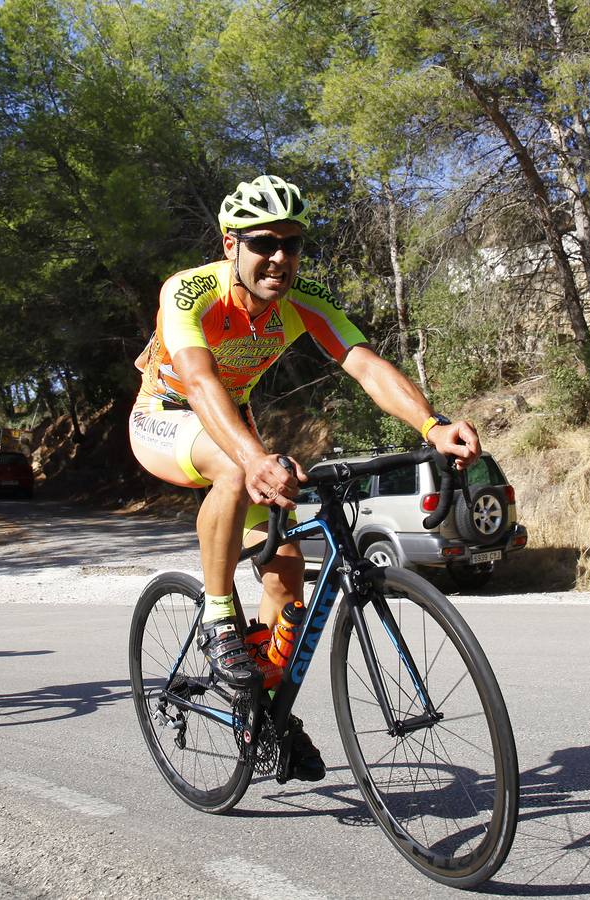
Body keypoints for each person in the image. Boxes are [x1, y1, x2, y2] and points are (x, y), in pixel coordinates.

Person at [129, 174, 481, 781]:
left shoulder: (304, 299)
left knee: (286, 572)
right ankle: (218, 617)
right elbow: (201, 379)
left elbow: (364, 363)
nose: (280, 258)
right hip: (168, 414)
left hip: (232, 423)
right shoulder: (189, 292)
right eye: (264, 243)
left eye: (292, 244)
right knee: (238, 474)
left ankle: (261, 710)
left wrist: (431, 425)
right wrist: (254, 457)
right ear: (229, 244)